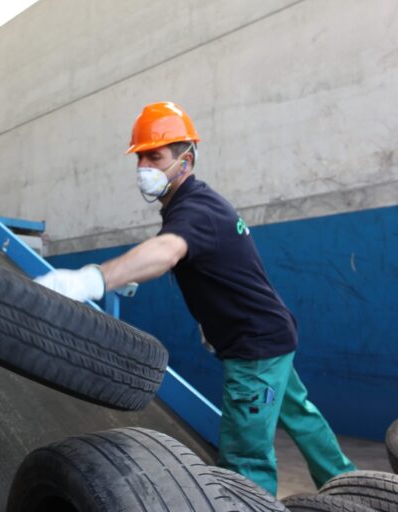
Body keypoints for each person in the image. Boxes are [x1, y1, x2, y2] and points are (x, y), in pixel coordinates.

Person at [34, 101, 356, 495]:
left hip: (254, 348)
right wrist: (210, 321)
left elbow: (167, 251)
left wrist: (94, 279)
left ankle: (250, 502)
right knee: (302, 418)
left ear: (185, 160)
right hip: (273, 335)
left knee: (244, 458)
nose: (144, 168)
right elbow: (220, 269)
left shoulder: (195, 210)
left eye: (155, 157)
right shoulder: (197, 205)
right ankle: (350, 486)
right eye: (139, 158)